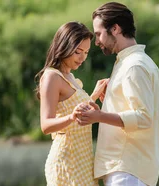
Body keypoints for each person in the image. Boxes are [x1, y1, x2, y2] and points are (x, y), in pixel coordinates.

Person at [74, 2, 159, 186]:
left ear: (115, 28)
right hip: (127, 168)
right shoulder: (133, 62)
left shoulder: (134, 66)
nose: (97, 41)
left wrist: (99, 116)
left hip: (127, 170)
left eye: (99, 33)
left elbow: (144, 117)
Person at [35, 21, 106, 186]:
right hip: (67, 161)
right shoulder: (52, 77)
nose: (82, 58)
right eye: (78, 51)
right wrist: (71, 117)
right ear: (64, 46)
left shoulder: (71, 77)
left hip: (83, 160)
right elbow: (46, 125)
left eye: (86, 52)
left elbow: (76, 109)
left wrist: (94, 95)